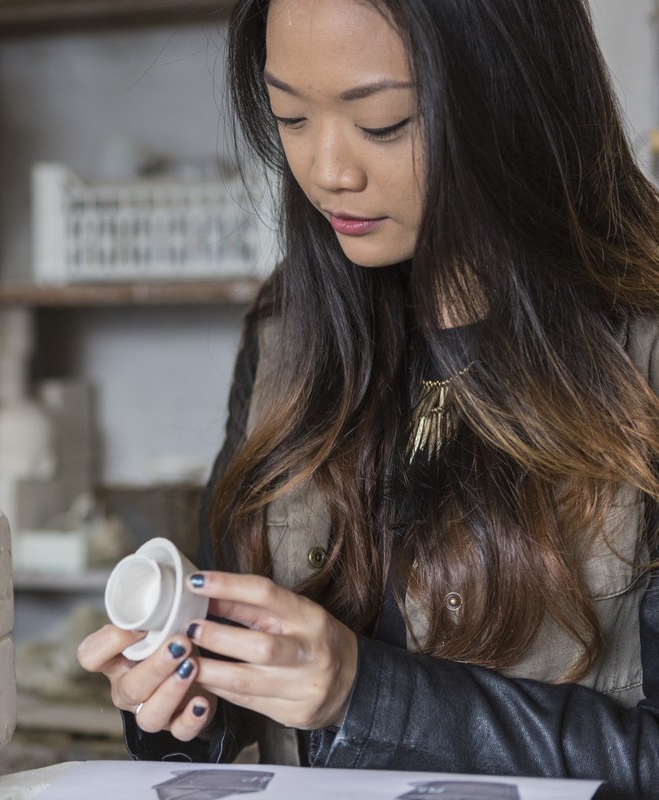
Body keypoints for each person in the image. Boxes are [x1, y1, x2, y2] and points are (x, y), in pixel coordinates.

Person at [76, 0, 659, 796]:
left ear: (512, 94)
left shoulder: (640, 356)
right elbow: (232, 667)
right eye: (290, 116)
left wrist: (366, 694)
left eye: (383, 123)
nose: (327, 171)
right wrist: (184, 707)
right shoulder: (292, 332)